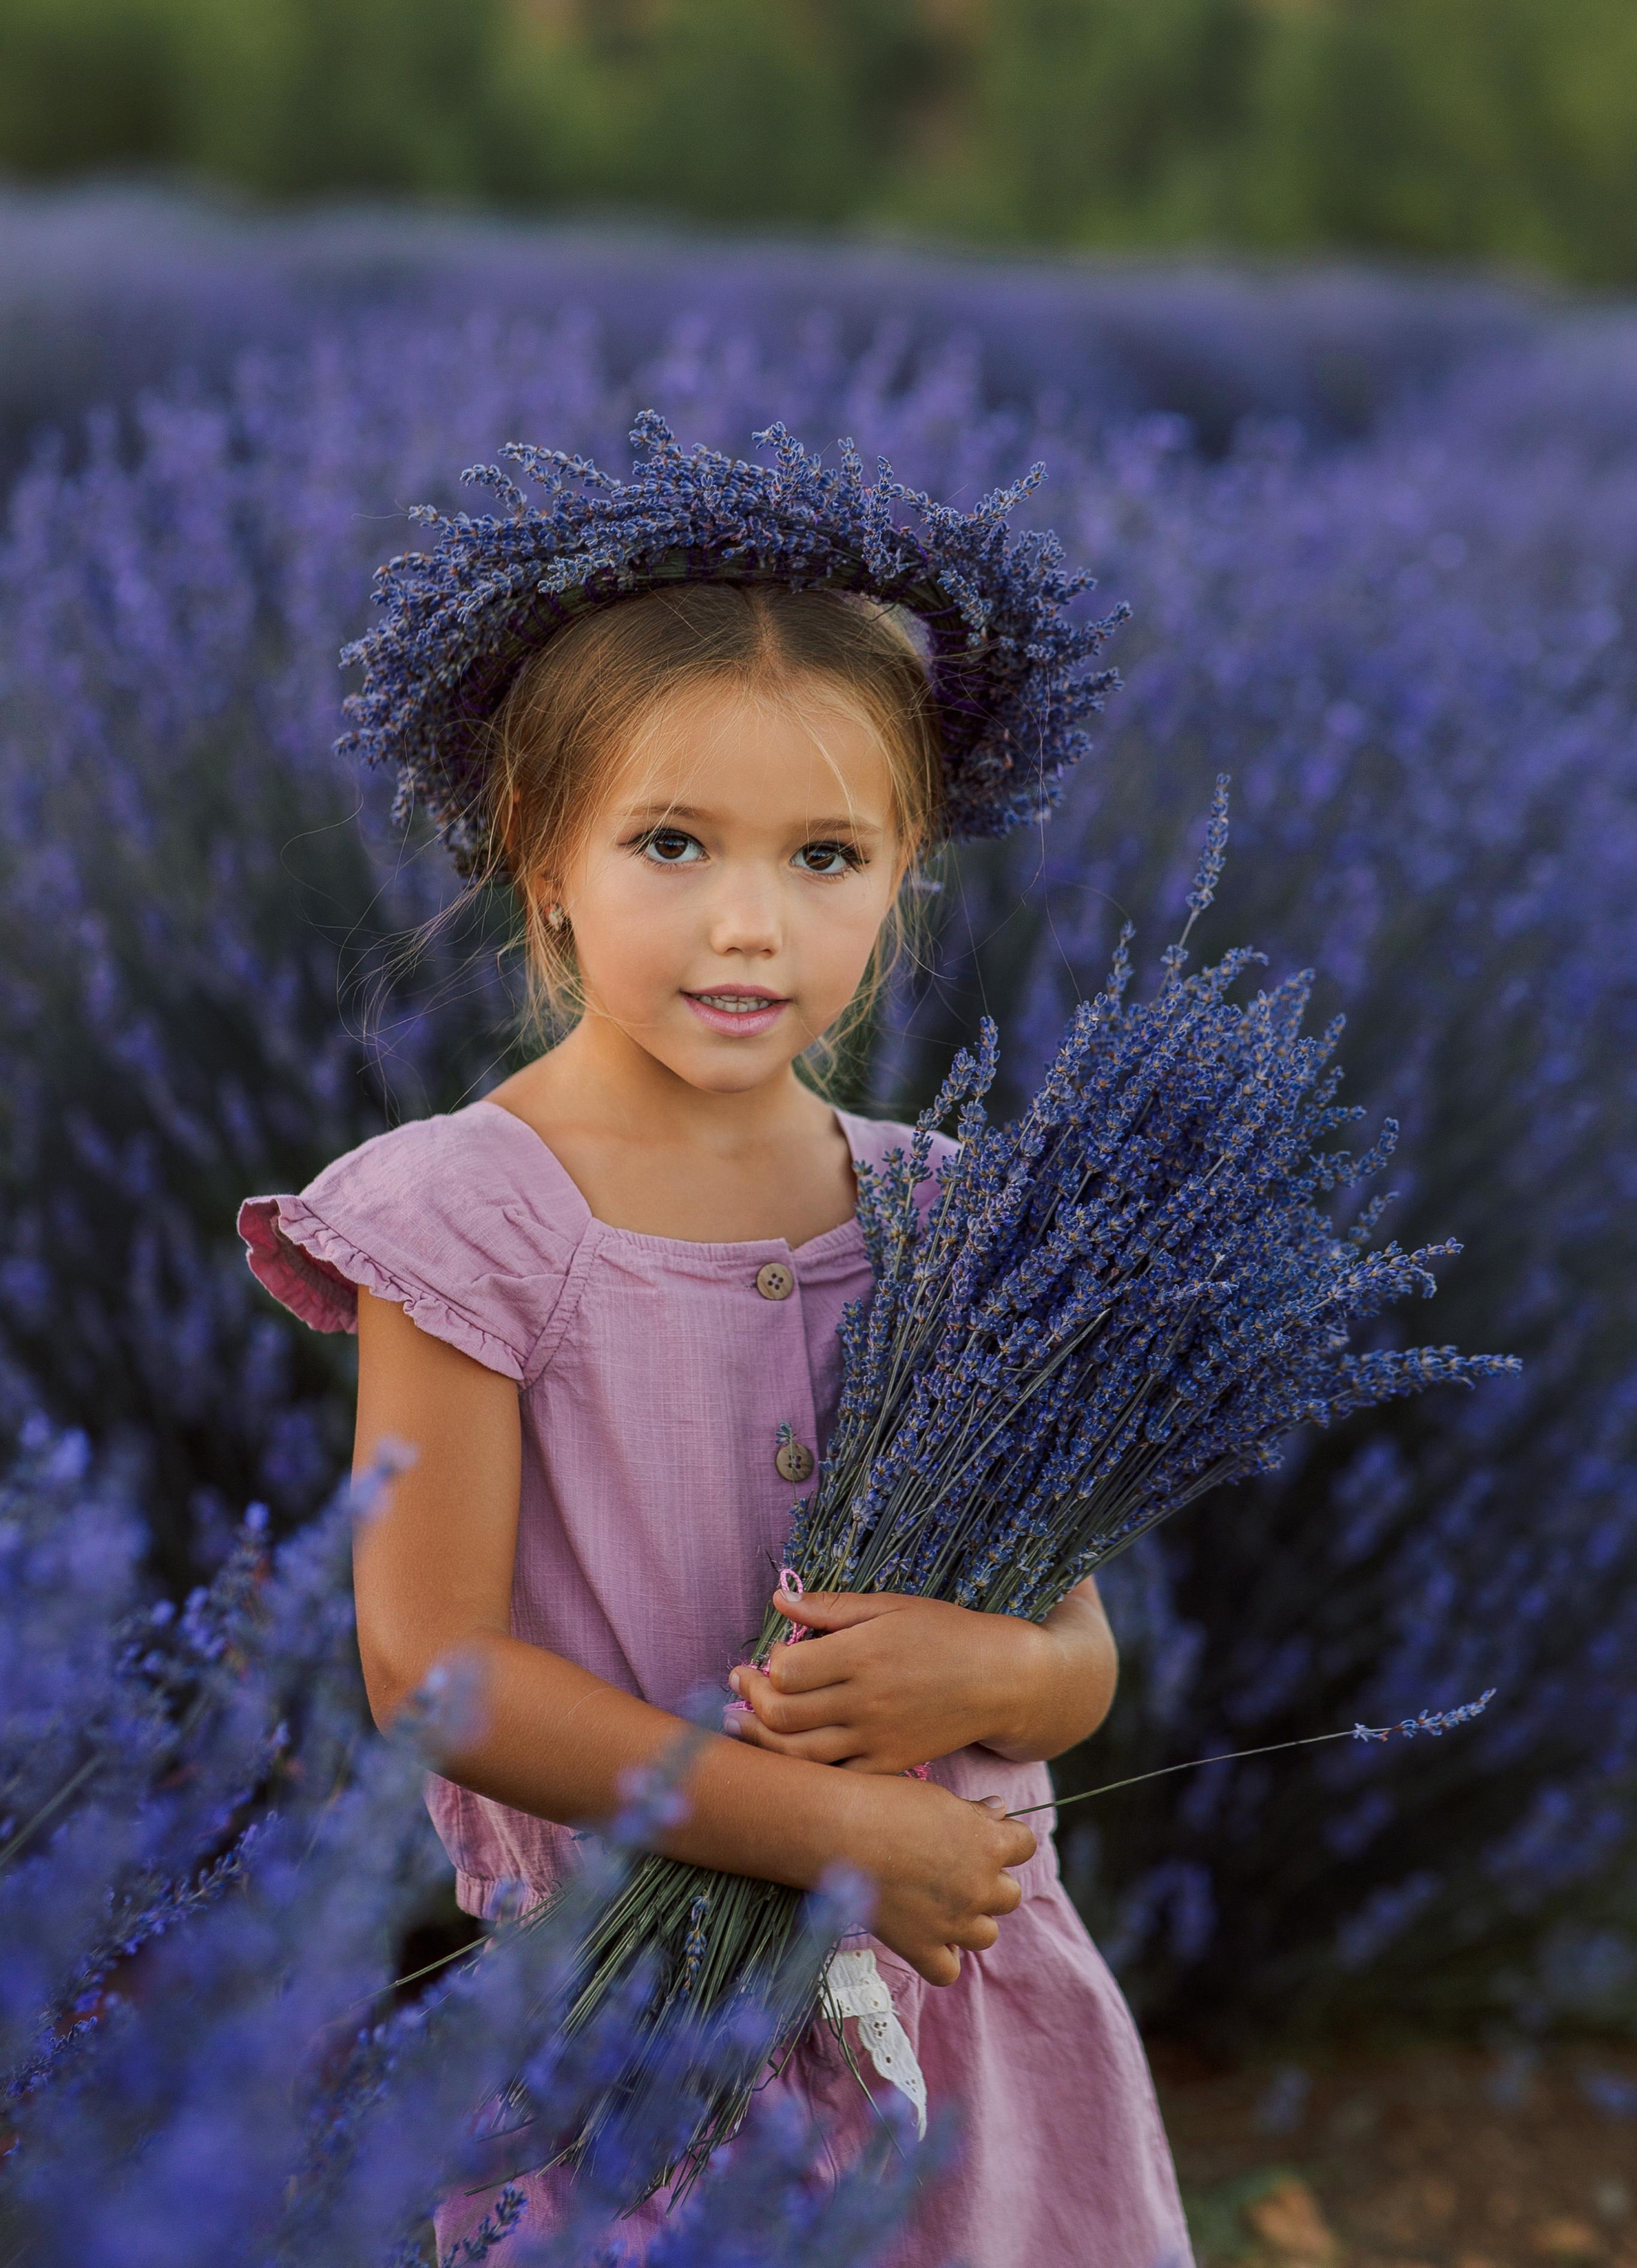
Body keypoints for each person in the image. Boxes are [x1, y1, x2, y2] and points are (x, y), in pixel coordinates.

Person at [239, 418, 1191, 2266]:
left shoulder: (960, 1221)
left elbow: (1085, 1661)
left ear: (909, 870)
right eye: (671, 842)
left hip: (967, 1994)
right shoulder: (468, 1222)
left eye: (829, 855)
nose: (752, 923)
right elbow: (432, 1667)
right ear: (540, 846)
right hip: (657, 2027)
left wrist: (985, 1674)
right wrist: (835, 1832)